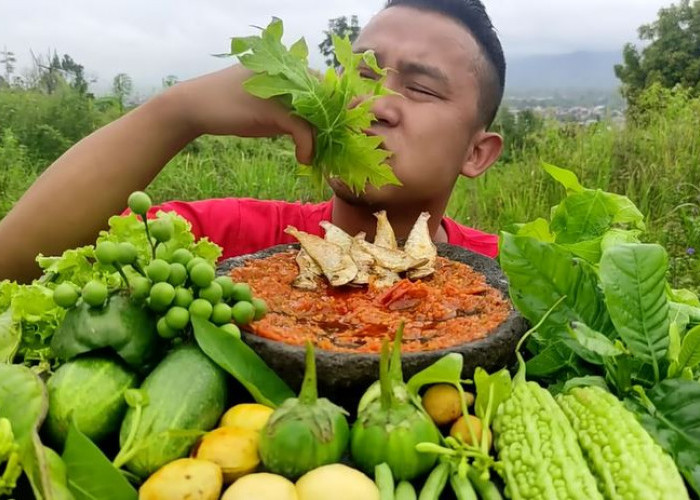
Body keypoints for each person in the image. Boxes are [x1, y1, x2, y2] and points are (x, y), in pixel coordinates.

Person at [0, 0, 506, 283]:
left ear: (476, 153)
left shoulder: (512, 275)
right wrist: (178, 113)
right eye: (360, 72)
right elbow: (16, 265)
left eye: (419, 88)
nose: (372, 103)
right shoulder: (230, 239)